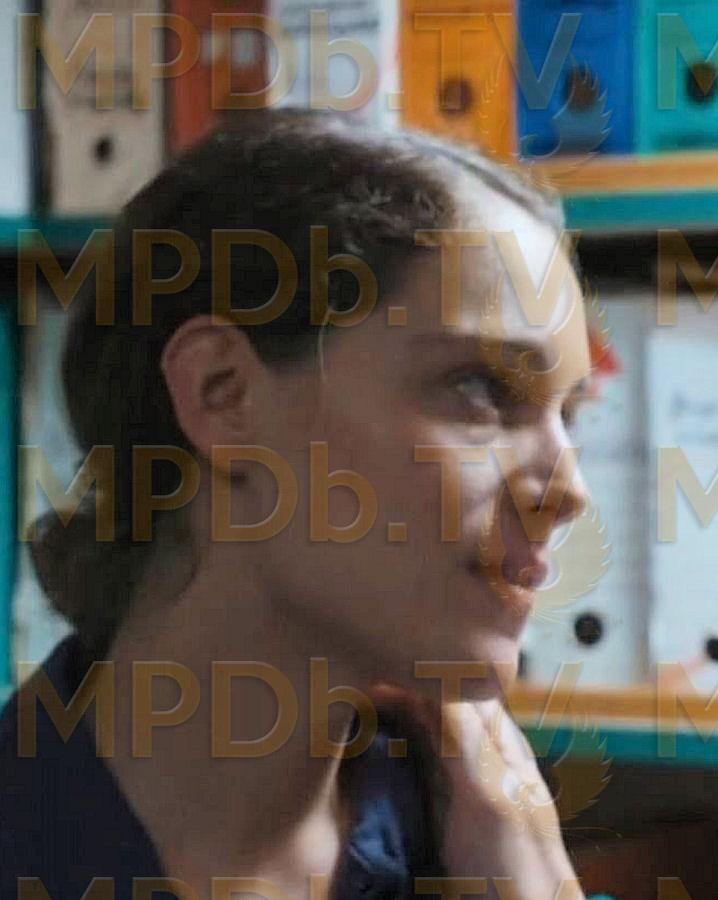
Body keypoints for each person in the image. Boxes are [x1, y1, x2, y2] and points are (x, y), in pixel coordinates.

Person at [1, 111, 591, 897]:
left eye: (571, 415)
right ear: (222, 392)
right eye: (481, 388)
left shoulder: (494, 855)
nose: (569, 491)